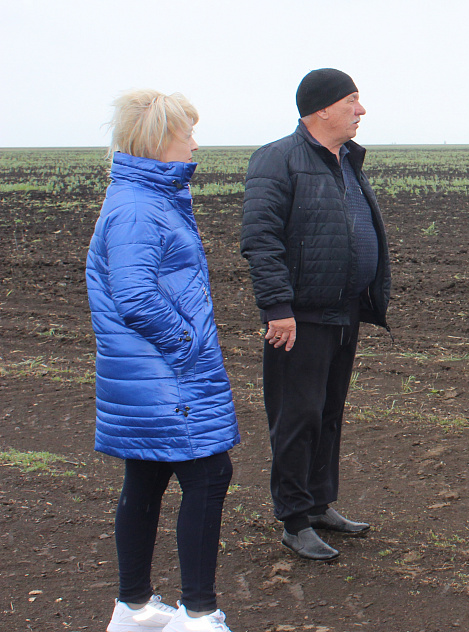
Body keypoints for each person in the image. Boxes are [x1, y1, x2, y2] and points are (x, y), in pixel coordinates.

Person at [87, 90, 239, 632]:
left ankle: (134, 609)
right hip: (164, 374)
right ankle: (198, 614)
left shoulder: (143, 198)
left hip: (149, 373)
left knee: (147, 475)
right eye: (188, 133)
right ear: (159, 140)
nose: (196, 143)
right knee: (208, 474)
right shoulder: (137, 207)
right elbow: (134, 295)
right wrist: (186, 345)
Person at [240, 68, 390, 561]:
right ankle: (294, 518)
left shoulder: (347, 160)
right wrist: (277, 308)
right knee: (295, 416)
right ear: (323, 108)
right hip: (298, 318)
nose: (361, 110)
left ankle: (320, 503)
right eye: (353, 100)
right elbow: (261, 240)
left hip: (343, 312)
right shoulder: (277, 159)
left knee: (327, 413)